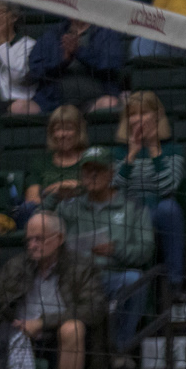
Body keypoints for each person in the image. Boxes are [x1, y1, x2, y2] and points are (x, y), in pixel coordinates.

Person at [0, 212, 101, 369]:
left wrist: (42, 322)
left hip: (57, 339)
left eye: (39, 239)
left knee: (73, 329)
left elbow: (94, 308)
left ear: (59, 239)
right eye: (29, 240)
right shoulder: (15, 266)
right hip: (19, 336)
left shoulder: (81, 265)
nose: (32, 245)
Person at [54, 146, 155, 355]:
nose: (92, 175)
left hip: (113, 275)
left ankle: (121, 347)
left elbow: (146, 250)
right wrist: (53, 197)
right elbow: (40, 227)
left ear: (110, 173)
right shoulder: (69, 207)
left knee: (134, 279)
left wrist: (115, 250)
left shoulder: (132, 207)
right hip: (76, 279)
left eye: (98, 170)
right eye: (87, 170)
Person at [115, 91, 186, 292]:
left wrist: (155, 150)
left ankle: (175, 284)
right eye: (132, 114)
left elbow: (167, 187)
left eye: (143, 113)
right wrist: (132, 154)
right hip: (128, 212)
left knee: (169, 208)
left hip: (157, 211)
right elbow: (116, 188)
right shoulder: (119, 152)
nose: (137, 119)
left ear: (157, 115)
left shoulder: (172, 150)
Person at [27, 7, 124, 114]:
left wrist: (79, 52)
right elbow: (35, 70)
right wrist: (63, 61)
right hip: (53, 103)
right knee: (19, 107)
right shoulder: (52, 35)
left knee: (110, 103)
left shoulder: (106, 33)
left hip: (94, 101)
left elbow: (111, 65)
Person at [23, 106, 88, 219]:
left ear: (79, 131)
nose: (62, 134)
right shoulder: (41, 162)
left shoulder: (90, 158)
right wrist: (58, 188)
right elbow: (32, 200)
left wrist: (48, 191)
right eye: (58, 129)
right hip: (49, 216)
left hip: (83, 214)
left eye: (68, 129)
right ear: (52, 133)